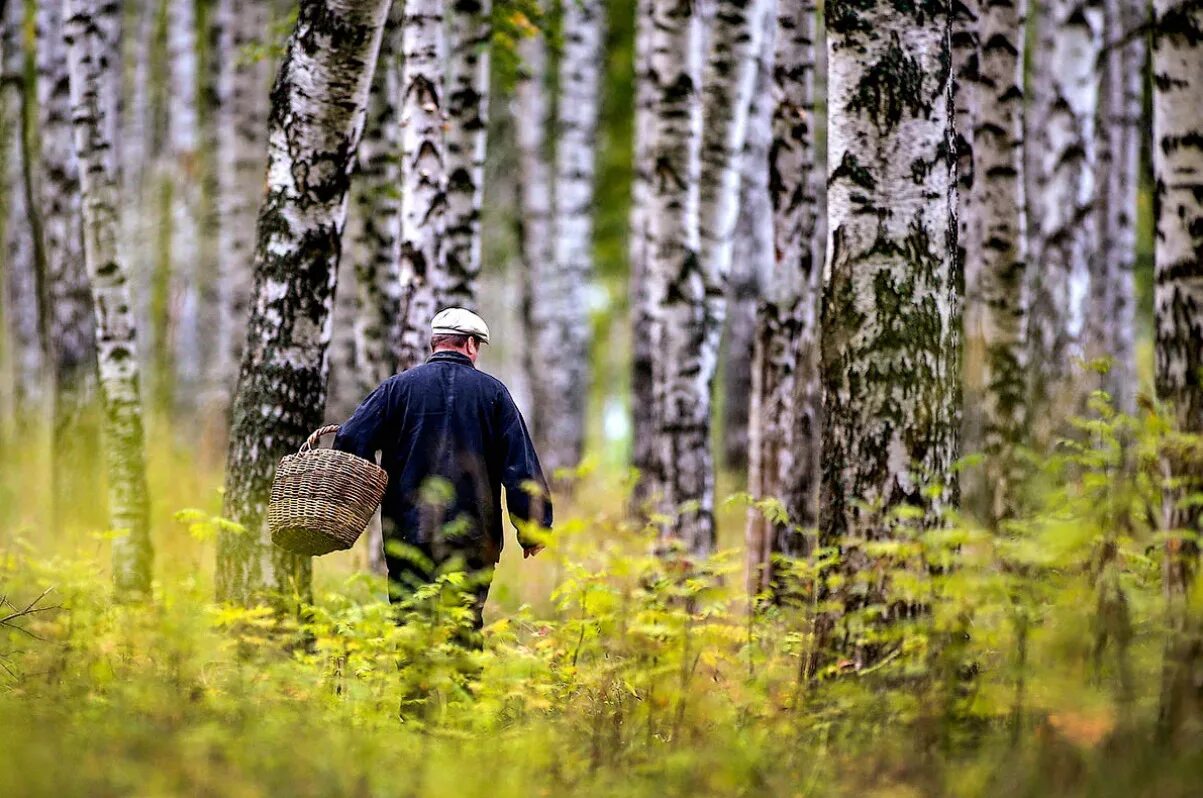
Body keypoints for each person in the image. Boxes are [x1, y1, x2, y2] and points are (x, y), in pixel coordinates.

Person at [333, 308, 552, 638]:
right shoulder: (494, 394)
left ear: (434, 343)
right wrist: (533, 528)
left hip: (408, 534)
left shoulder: (396, 389)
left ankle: (414, 674)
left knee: (410, 628)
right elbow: (519, 467)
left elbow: (349, 438)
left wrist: (364, 493)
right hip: (474, 539)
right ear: (470, 344)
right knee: (463, 628)